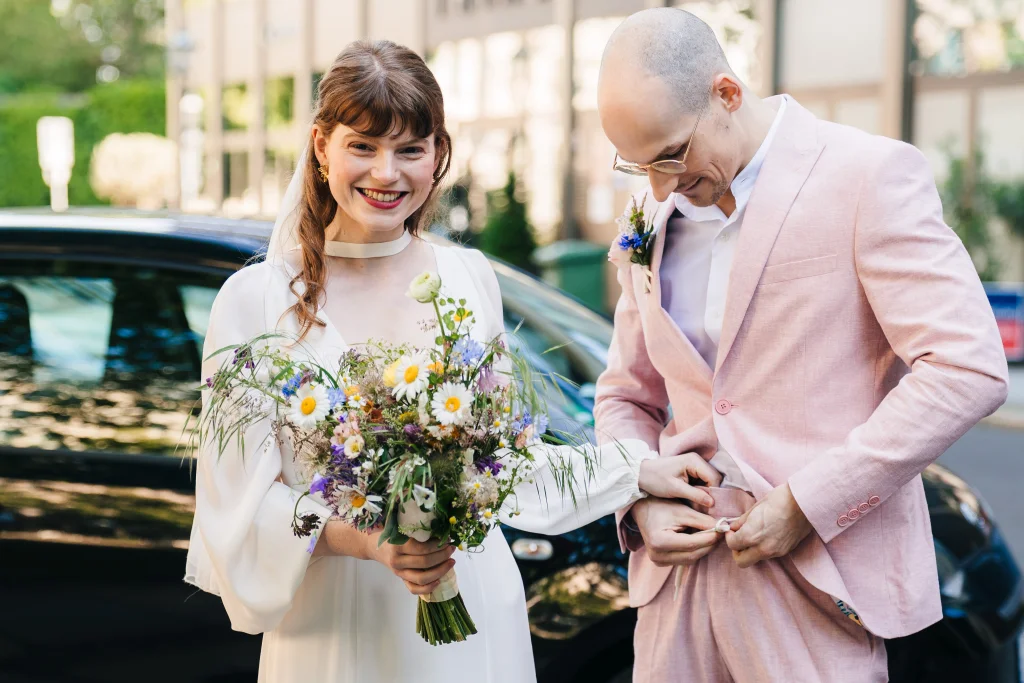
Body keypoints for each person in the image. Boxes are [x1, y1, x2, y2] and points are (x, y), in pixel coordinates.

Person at [184, 39, 698, 683]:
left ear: (438, 155)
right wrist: (371, 541)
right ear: (321, 148)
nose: (386, 173)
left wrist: (638, 469)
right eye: (362, 146)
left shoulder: (465, 275)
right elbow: (236, 504)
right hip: (339, 623)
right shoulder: (255, 301)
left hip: (471, 608)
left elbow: (507, 458)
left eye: (409, 149)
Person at [593, 8, 1009, 683]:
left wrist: (808, 502)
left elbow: (967, 368)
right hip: (675, 596)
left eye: (671, 154)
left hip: (815, 581)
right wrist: (641, 494)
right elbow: (625, 393)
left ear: (726, 94)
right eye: (638, 165)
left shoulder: (868, 175)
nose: (659, 186)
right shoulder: (649, 212)